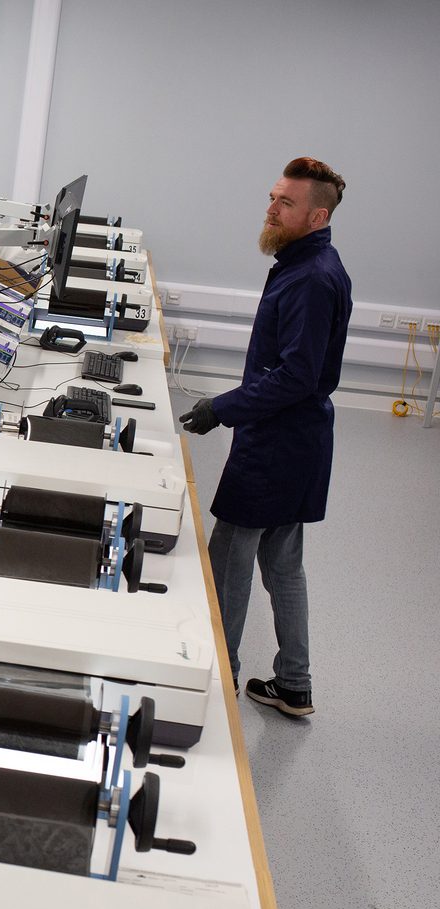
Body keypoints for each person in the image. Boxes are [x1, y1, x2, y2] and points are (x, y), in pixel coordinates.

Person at [179, 157, 351, 718]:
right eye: (273, 197)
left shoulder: (311, 278)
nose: (272, 209)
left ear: (317, 214)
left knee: (229, 553)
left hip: (276, 443)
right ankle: (294, 684)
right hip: (297, 441)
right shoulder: (307, 264)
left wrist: (221, 408)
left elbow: (296, 376)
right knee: (282, 560)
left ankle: (216, 674)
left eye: (286, 203)